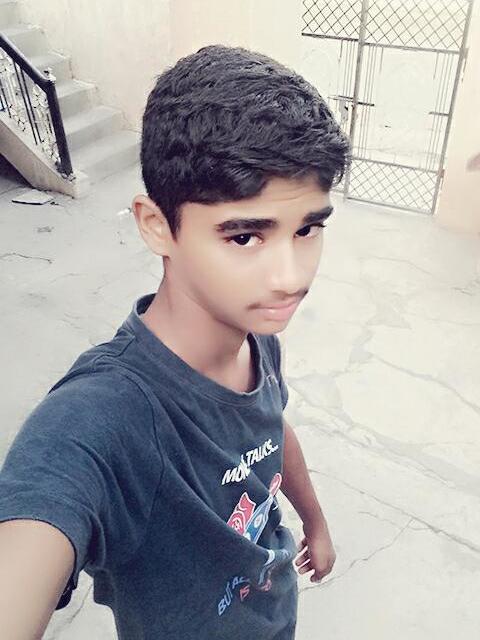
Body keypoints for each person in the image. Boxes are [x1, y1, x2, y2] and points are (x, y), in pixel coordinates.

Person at [0, 44, 351, 639]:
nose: (291, 277)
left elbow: (269, 427)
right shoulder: (104, 418)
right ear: (156, 225)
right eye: (245, 237)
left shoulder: (257, 337)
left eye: (308, 228)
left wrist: (314, 520)